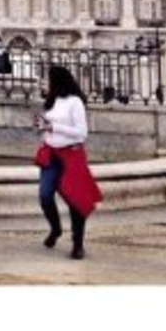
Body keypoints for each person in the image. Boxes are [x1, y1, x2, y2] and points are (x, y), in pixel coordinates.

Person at [34, 64, 103, 260]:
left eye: (47, 79)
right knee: (45, 196)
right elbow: (49, 128)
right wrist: (42, 128)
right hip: (51, 155)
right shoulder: (50, 101)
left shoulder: (75, 102)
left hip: (71, 156)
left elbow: (82, 133)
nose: (43, 82)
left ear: (58, 81)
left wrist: (53, 126)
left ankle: (77, 243)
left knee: (75, 199)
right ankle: (56, 229)